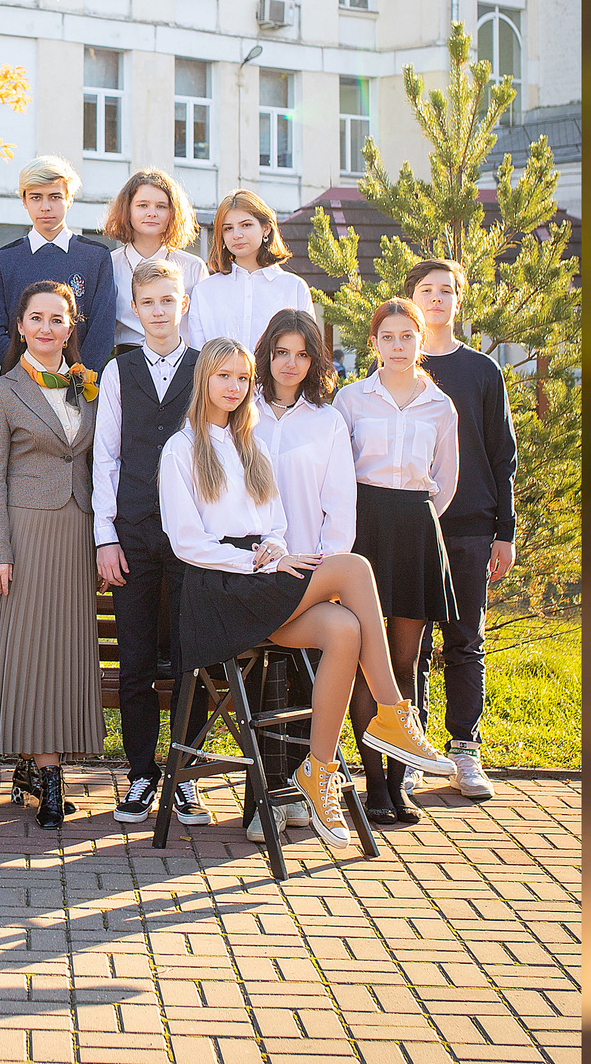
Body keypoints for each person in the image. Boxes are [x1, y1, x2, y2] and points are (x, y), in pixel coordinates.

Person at [162, 338, 454, 850]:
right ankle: (393, 712)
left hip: (260, 577)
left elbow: (275, 523)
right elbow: (186, 542)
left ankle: (319, 772)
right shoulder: (182, 448)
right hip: (219, 589)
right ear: (204, 378)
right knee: (354, 567)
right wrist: (257, 561)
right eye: (224, 376)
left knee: (344, 629)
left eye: (242, 378)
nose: (234, 387)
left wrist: (274, 550)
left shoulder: (251, 445)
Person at [0, 280, 104, 828]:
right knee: (29, 649)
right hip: (23, 536)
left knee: (64, 649)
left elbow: (95, 462)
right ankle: (50, 775)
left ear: (71, 328)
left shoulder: (85, 386)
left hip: (76, 531)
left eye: (58, 319)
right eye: (37, 318)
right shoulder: (0, 392)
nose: (47, 328)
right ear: (20, 327)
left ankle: (31, 765)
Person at [333, 298, 460, 826]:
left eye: (408, 336)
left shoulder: (440, 406)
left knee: (405, 664)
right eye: (388, 336)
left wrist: (415, 520)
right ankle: (374, 788)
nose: (398, 346)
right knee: (368, 661)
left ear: (421, 341)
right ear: (374, 343)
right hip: (365, 526)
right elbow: (337, 470)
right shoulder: (350, 399)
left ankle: (398, 783)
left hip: (415, 531)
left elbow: (446, 481)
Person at [93, 261, 208, 829]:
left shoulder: (206, 368)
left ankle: (185, 775)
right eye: (148, 302)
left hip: (195, 537)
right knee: (135, 658)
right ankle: (141, 772)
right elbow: (106, 456)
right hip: (134, 532)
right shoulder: (119, 370)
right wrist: (105, 536)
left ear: (183, 305)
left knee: (192, 656)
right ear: (134, 310)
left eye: (168, 300)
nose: (158, 311)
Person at [405, 258, 515, 803]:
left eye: (446, 290)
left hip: (471, 526)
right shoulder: (398, 367)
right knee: (412, 644)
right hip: (411, 527)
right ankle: (412, 752)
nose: (436, 298)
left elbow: (502, 455)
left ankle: (464, 751)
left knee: (466, 640)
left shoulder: (482, 371)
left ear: (458, 299)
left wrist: (504, 531)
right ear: (411, 299)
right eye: (426, 290)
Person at [245, 306, 354, 839]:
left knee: (309, 675)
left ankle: (299, 792)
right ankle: (262, 805)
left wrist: (326, 571)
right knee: (265, 681)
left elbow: (341, 507)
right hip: (253, 571)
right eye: (281, 352)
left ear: (315, 362)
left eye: (303, 354)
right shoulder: (240, 411)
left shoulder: (327, 420)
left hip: (311, 572)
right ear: (266, 354)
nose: (291, 363)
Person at [0, 156, 117, 374]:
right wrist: (35, 371)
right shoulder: (3, 260)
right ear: (24, 201)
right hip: (19, 383)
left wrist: (75, 375)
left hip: (79, 382)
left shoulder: (96, 257)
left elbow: (102, 333)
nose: (45, 207)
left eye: (55, 197)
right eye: (36, 197)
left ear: (69, 199)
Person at [180, 189, 315, 354]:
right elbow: (199, 356)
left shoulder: (294, 287)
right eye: (228, 228)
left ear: (266, 228)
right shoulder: (204, 291)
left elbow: (307, 351)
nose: (236, 235)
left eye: (246, 225)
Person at [101, 169, 205, 351]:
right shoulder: (109, 264)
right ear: (127, 210)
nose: (152, 213)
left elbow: (202, 328)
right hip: (126, 358)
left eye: (161, 206)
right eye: (142, 205)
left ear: (173, 212)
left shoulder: (193, 267)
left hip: (181, 359)